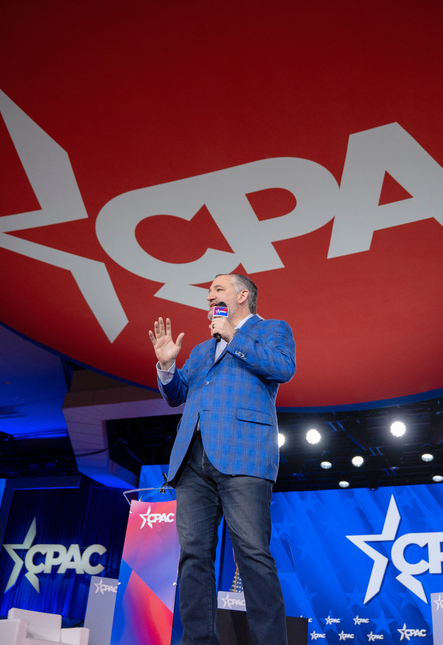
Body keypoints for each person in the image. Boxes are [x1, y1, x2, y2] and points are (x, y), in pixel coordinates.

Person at [150, 273, 295, 645]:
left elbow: (283, 368)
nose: (209, 296)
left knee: (252, 553)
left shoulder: (272, 329)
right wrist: (167, 367)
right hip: (192, 460)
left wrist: (234, 336)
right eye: (209, 291)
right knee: (194, 556)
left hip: (243, 456)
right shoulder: (202, 349)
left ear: (242, 295)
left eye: (217, 289)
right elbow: (177, 395)